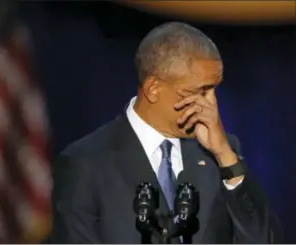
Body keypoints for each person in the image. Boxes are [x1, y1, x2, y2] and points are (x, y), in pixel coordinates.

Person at [51, 22, 283, 243]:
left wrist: (225, 156)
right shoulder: (84, 165)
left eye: (214, 90)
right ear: (154, 89)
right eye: (200, 91)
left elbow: (266, 241)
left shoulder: (221, 155)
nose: (211, 105)